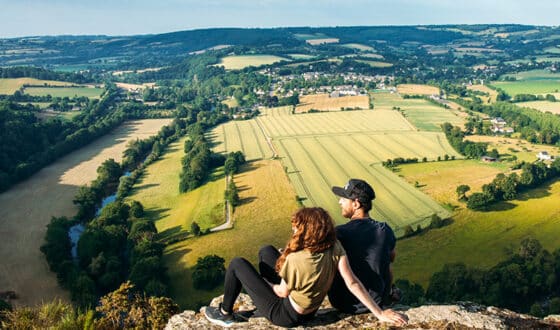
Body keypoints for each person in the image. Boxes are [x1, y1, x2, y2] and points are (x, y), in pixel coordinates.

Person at [204, 207, 407, 328]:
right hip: (309, 309)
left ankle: (225, 313)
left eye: (296, 226)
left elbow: (282, 292)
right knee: (267, 251)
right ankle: (259, 304)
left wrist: (261, 283)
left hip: (286, 315)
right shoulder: (334, 245)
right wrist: (378, 312)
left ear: (307, 230)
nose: (293, 229)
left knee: (237, 264)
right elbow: (352, 282)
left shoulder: (296, 259)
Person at [328, 178, 398, 314]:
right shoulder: (385, 230)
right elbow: (390, 260)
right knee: (388, 261)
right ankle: (389, 293)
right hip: (377, 301)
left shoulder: (339, 233)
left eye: (344, 198)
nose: (340, 202)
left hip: (344, 303)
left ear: (356, 204)